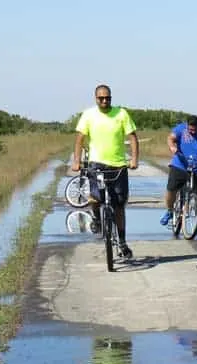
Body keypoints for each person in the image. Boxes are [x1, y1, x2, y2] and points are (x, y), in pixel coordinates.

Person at [72, 84, 139, 259]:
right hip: (97, 164)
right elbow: (79, 139)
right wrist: (77, 161)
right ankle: (96, 217)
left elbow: (132, 137)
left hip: (118, 165)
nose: (104, 101)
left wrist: (134, 159)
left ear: (111, 98)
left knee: (119, 205)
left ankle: (122, 242)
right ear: (96, 98)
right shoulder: (88, 115)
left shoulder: (121, 114)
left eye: (107, 98)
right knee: (95, 197)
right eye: (101, 98)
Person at [159, 115, 197, 233]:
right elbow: (170, 138)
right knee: (171, 189)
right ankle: (170, 210)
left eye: (195, 129)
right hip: (180, 165)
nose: (192, 131)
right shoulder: (180, 129)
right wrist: (172, 147)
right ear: (187, 125)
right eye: (190, 129)